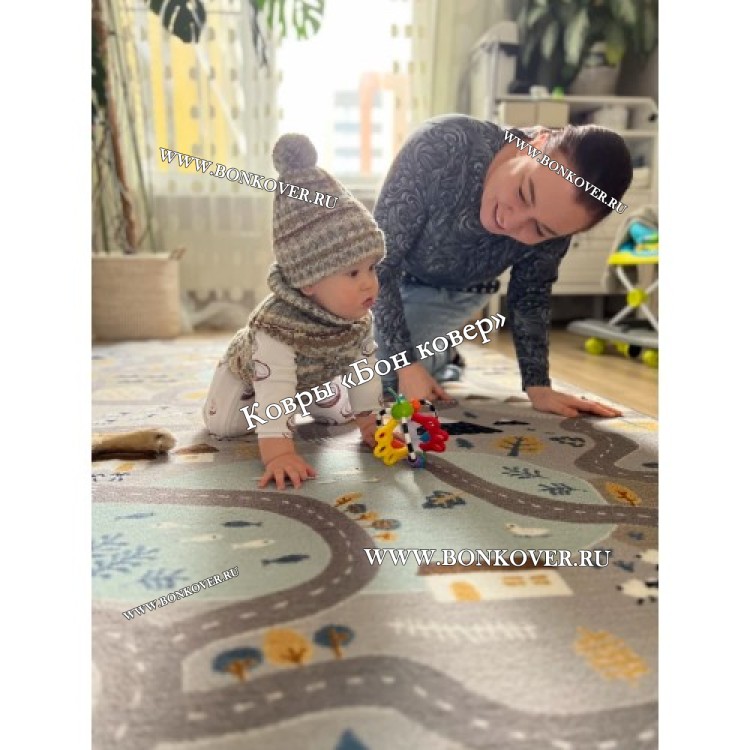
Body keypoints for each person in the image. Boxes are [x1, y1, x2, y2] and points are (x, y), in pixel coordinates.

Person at [373, 113, 633, 418]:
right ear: (536, 144)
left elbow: (530, 294)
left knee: (374, 377)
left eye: (539, 229)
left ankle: (441, 355)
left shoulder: (560, 221)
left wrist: (538, 386)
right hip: (380, 276)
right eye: (524, 193)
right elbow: (379, 264)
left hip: (454, 293)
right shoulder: (444, 144)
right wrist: (407, 363)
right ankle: (435, 348)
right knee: (332, 355)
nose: (511, 222)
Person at [203, 133, 385, 489]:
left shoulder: (357, 319)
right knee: (226, 426)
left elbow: (364, 372)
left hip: (312, 376)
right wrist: (279, 453)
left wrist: (372, 426)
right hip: (255, 376)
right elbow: (274, 388)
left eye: (372, 268)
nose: (369, 283)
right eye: (353, 273)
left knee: (340, 417)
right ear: (308, 281)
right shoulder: (277, 329)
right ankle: (278, 403)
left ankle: (306, 399)